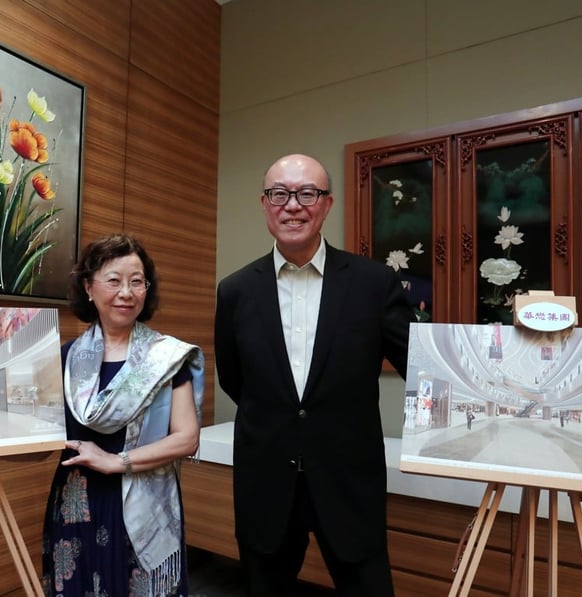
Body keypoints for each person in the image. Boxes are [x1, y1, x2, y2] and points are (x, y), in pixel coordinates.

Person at [215, 154, 413, 596]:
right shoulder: (235, 291)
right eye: (279, 194)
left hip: (348, 480)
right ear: (265, 204)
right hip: (266, 481)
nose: (292, 205)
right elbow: (235, 378)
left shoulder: (374, 283)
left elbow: (419, 365)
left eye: (307, 193)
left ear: (327, 204)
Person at [42, 234, 204, 597]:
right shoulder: (64, 359)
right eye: (114, 280)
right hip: (76, 503)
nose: (126, 293)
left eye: (137, 281)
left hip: (142, 501)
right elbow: (45, 438)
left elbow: (186, 438)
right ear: (89, 287)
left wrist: (118, 461)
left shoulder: (166, 358)